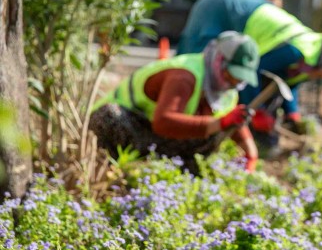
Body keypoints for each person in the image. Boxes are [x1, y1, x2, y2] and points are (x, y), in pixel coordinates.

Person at [178, 0, 322, 155]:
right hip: (220, 9)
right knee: (199, 70)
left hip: (241, 13)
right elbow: (252, 73)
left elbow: (288, 83)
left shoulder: (309, 62)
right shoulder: (295, 51)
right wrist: (259, 113)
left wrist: (292, 114)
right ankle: (185, 133)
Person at [91, 32, 260, 174]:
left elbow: (231, 118)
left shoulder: (225, 89)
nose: (234, 82)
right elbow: (163, 122)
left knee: (214, 133)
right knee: (110, 115)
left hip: (150, 136)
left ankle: (179, 176)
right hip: (124, 124)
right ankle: (108, 171)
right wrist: (220, 123)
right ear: (219, 60)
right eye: (231, 74)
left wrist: (250, 153)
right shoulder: (184, 76)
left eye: (239, 79)